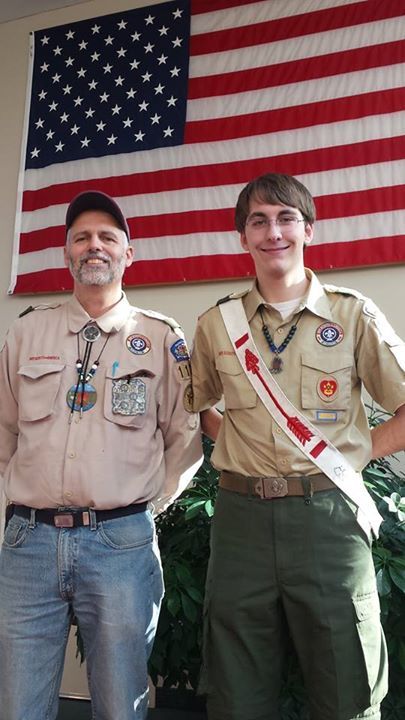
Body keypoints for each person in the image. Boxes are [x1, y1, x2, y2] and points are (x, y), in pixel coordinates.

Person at [191, 172, 405, 720]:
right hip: (241, 521)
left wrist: (353, 458)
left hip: (328, 519)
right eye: (258, 221)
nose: (273, 232)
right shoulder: (218, 325)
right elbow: (190, 407)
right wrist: (234, 444)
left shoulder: (353, 313)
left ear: (308, 229)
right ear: (243, 237)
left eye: (286, 218)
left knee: (347, 683)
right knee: (237, 689)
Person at [0, 190, 202, 720]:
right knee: (19, 704)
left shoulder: (161, 338)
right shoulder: (27, 332)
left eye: (108, 237)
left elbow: (186, 439)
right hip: (30, 543)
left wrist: (143, 510)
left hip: (120, 545)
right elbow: (4, 432)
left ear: (127, 254)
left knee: (119, 702)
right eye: (82, 237)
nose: (95, 246)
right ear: (66, 253)